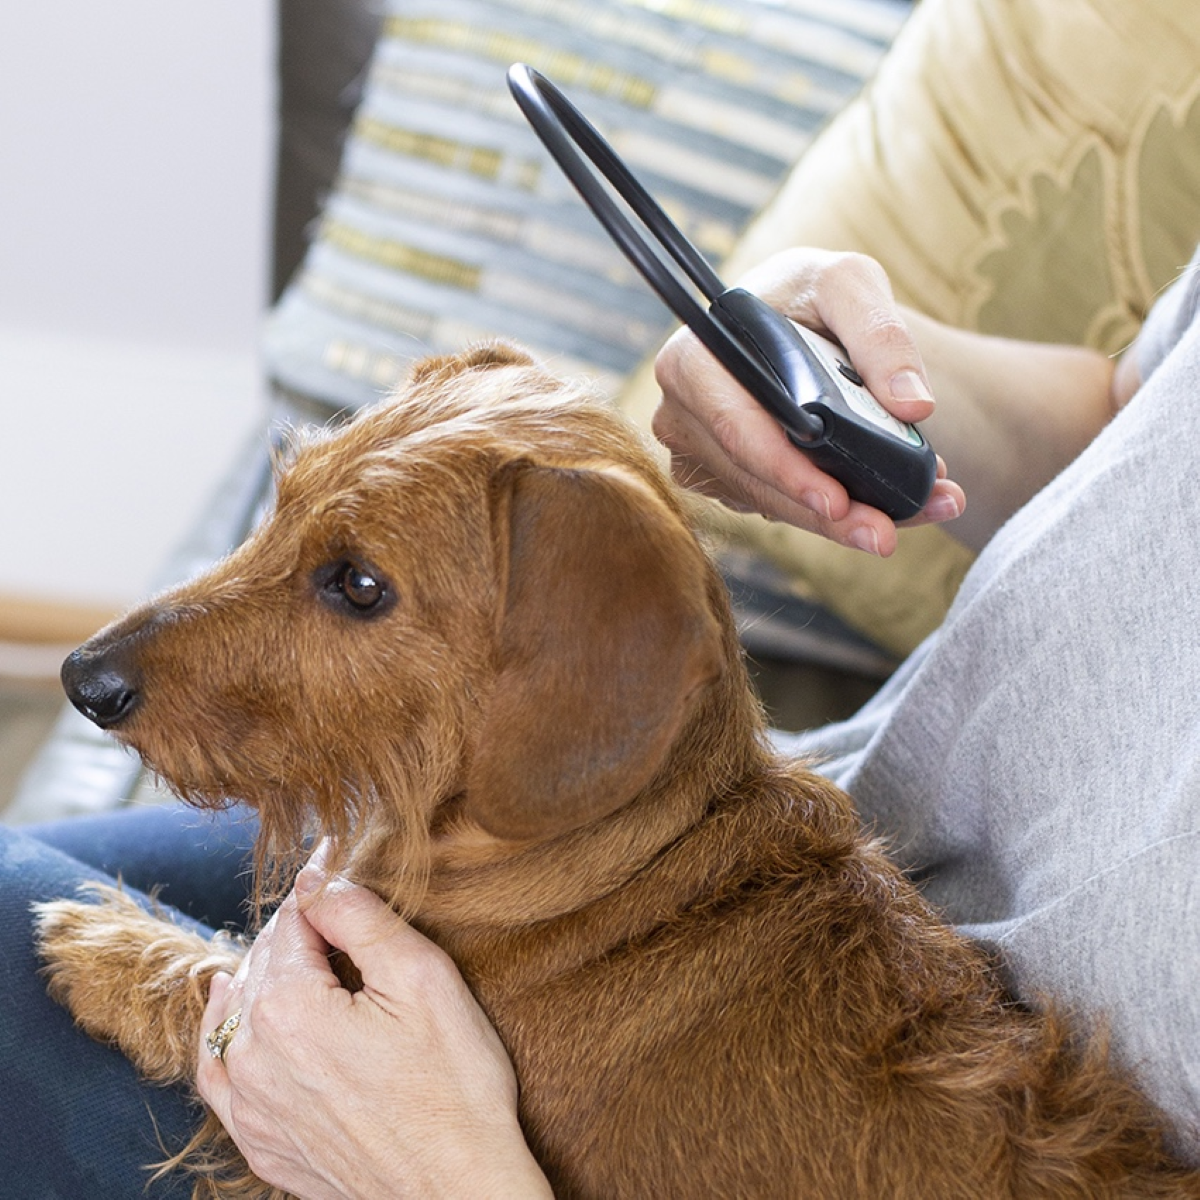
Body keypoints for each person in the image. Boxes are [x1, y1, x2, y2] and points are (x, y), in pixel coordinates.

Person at [2, 243, 1196, 1196]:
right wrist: (847, 380)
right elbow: (1127, 428)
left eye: (353, 588)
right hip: (797, 831)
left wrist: (443, 1175)